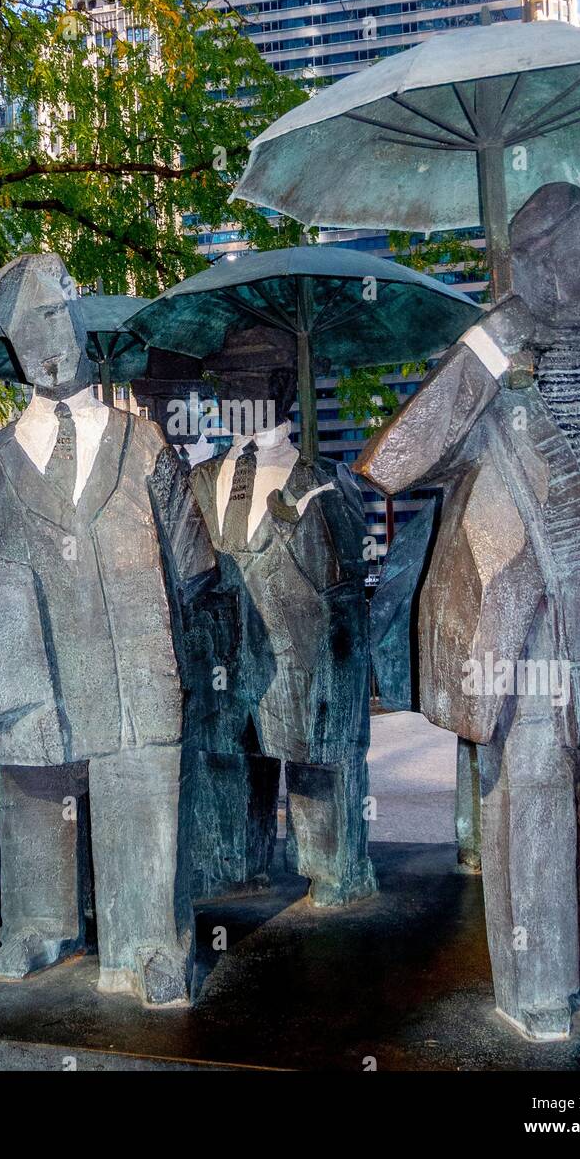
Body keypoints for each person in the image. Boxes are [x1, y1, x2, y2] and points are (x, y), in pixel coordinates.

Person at [357, 182, 580, 1041]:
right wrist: (493, 334)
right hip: (524, 639)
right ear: (526, 265)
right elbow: (391, 462)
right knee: (533, 805)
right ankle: (536, 988)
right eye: (567, 257)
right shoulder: (488, 395)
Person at [0, 254, 215, 1006]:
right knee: (30, 789)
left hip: (132, 657)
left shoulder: (142, 439)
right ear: (12, 351)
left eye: (55, 318)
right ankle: (38, 923)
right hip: (36, 669)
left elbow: (193, 563)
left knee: (137, 785)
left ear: (79, 316)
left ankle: (147, 938)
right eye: (26, 336)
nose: (46, 344)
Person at [187, 325, 376, 906]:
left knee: (318, 774)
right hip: (223, 667)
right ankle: (234, 862)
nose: (228, 396)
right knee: (227, 771)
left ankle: (336, 869)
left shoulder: (326, 482)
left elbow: (349, 602)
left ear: (281, 389)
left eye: (243, 383)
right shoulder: (200, 480)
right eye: (225, 384)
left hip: (304, 667)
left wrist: (341, 690)